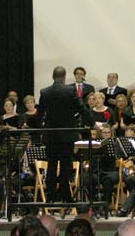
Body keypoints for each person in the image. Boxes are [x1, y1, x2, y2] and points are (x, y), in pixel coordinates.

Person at [40, 66, 95, 203]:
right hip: (67, 135)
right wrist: (92, 123)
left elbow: (39, 113)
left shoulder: (45, 92)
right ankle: (66, 196)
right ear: (64, 77)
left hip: (51, 135)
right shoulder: (70, 90)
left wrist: (41, 127)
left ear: (53, 76)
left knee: (51, 166)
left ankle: (50, 196)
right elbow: (81, 108)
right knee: (66, 165)